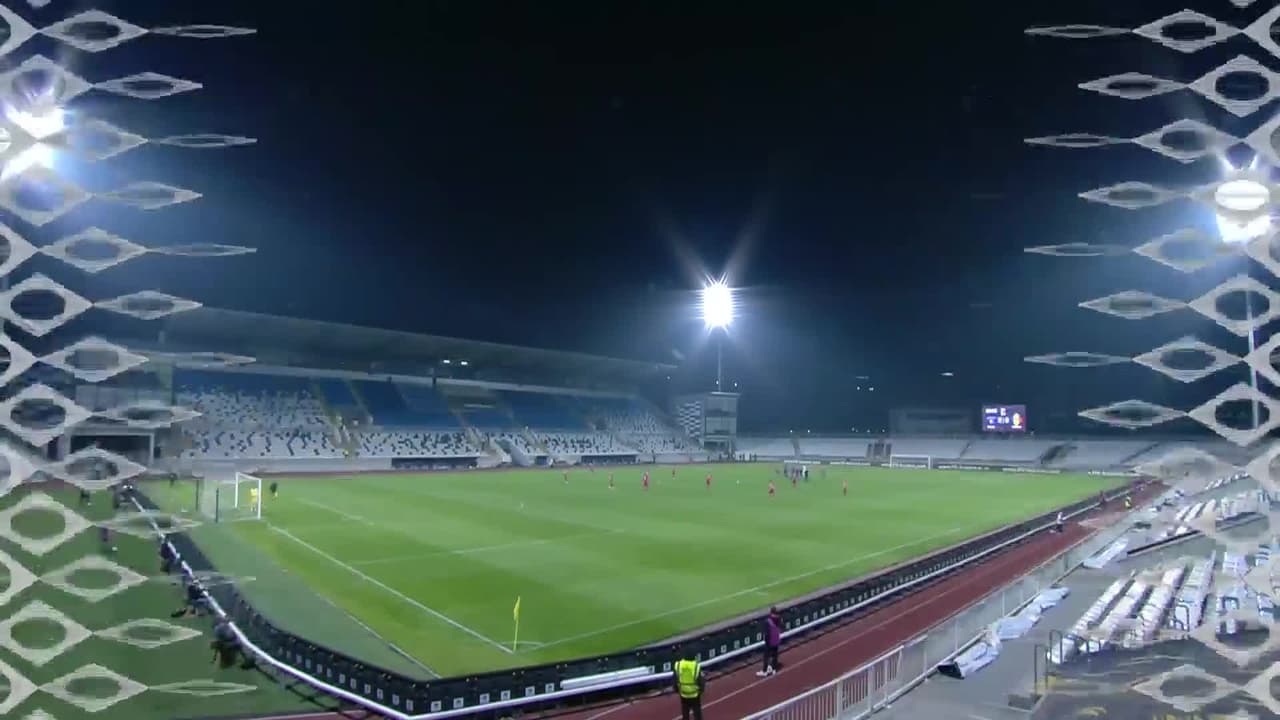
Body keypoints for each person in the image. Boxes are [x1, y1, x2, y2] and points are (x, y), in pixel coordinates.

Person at [673, 654, 705, 720]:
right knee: (697, 713)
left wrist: (677, 690)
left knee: (685, 713)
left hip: (683, 693)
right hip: (695, 694)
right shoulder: (696, 666)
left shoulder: (678, 665)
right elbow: (701, 680)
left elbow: (674, 679)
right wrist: (701, 690)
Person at [757, 606, 783, 676]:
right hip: (776, 640)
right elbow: (780, 628)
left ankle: (764, 671)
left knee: (766, 656)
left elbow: (766, 633)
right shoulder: (779, 619)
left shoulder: (768, 621)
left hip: (769, 641)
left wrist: (766, 640)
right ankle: (774, 669)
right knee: (775, 655)